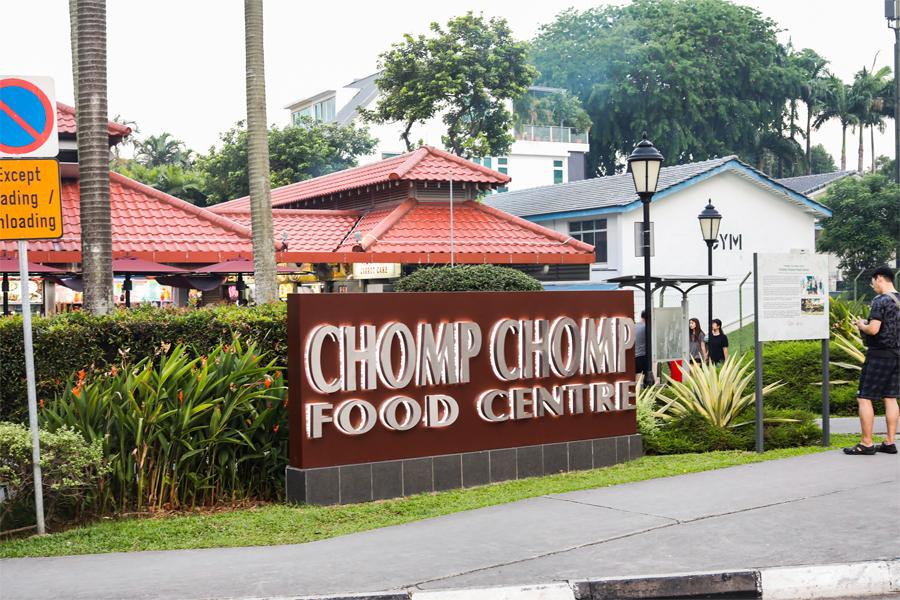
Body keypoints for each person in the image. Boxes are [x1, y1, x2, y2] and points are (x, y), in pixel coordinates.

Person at [844, 266, 899, 456]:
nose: (873, 286)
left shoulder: (880, 301)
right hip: (897, 354)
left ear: (879, 279)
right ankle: (889, 442)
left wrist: (861, 325)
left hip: (879, 354)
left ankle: (866, 443)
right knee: (890, 397)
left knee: (864, 397)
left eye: (872, 282)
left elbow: (874, 329)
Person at [635, 310, 647, 377]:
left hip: (633, 359)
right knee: (649, 374)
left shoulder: (634, 326)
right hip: (643, 358)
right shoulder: (646, 327)